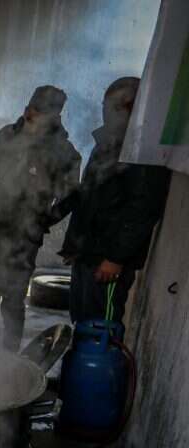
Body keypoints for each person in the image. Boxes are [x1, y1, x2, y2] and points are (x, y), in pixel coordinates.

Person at [59, 77, 171, 324]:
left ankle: (100, 364)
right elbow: (88, 194)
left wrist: (116, 257)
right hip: (88, 253)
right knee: (81, 319)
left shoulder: (143, 151)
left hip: (108, 259)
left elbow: (143, 208)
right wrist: (74, 245)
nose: (106, 113)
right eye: (106, 106)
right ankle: (81, 363)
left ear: (132, 108)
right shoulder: (107, 144)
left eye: (113, 107)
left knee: (101, 327)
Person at [0, 85, 81, 350]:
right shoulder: (6, 135)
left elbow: (73, 195)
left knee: (14, 298)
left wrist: (45, 218)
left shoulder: (65, 153)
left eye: (39, 111)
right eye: (30, 107)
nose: (30, 113)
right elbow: (6, 174)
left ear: (55, 116)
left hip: (27, 233)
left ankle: (8, 357)